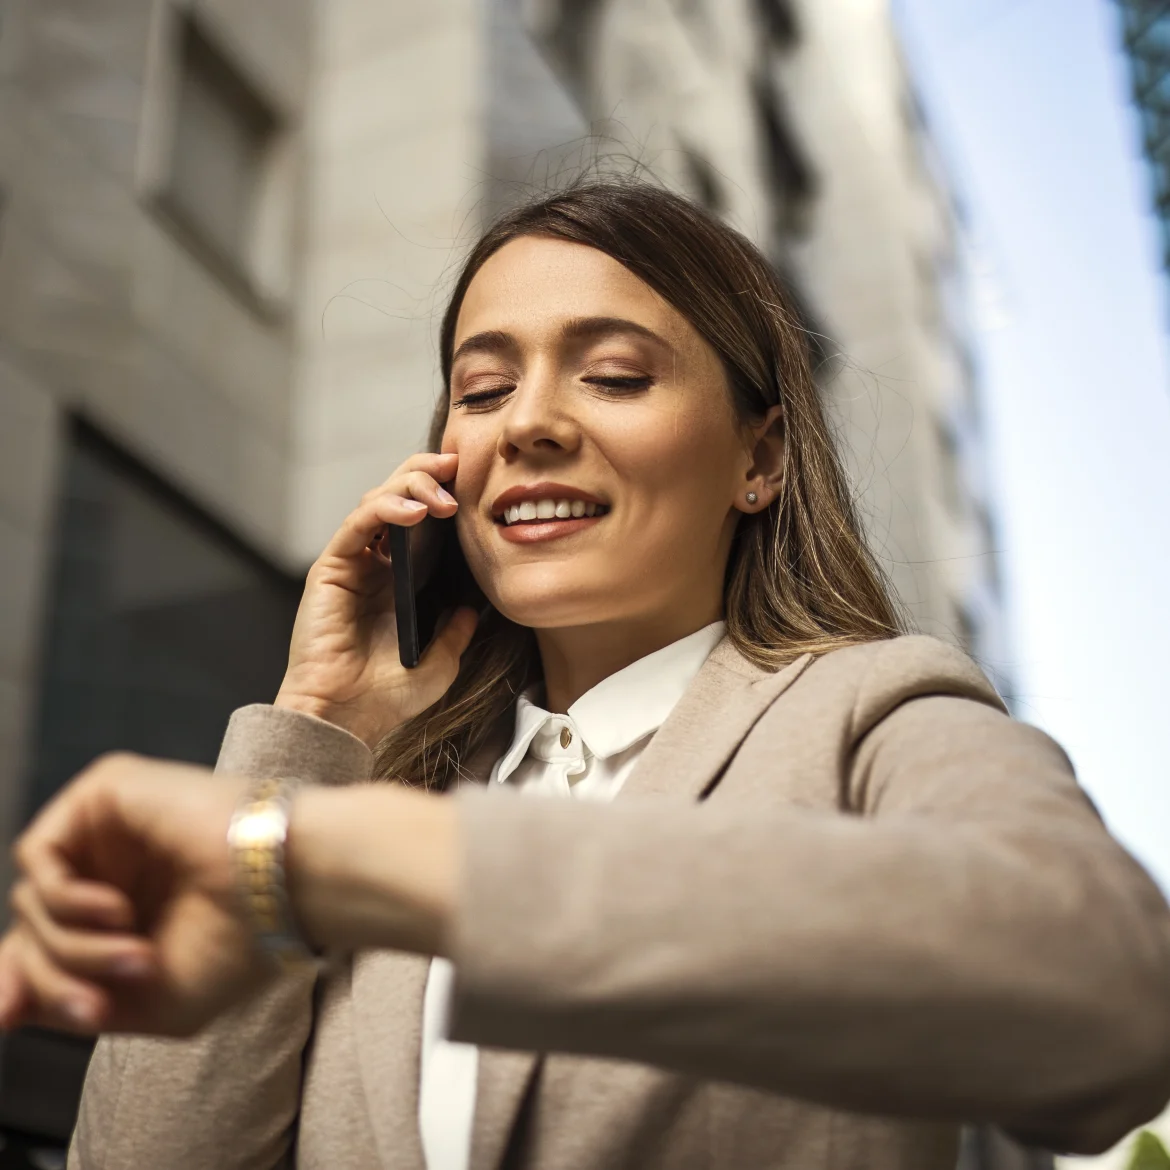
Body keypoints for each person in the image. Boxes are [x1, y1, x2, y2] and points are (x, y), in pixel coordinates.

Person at [1, 181, 1168, 1170]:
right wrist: (311, 734)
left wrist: (326, 863)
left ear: (758, 458)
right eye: (483, 387)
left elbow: (1115, 1005)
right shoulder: (374, 805)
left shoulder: (873, 708)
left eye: (613, 375)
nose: (530, 425)